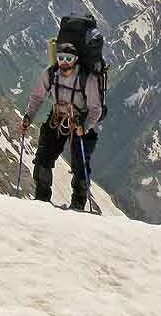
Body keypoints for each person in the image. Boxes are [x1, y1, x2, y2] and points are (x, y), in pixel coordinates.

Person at [21, 41, 104, 210]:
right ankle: (41, 200)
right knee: (43, 155)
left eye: (68, 58)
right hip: (57, 117)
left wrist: (85, 127)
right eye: (60, 58)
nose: (64, 62)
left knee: (80, 163)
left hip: (81, 120)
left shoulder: (87, 79)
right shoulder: (50, 74)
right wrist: (29, 116)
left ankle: (78, 204)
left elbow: (96, 109)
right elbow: (37, 97)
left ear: (76, 60)